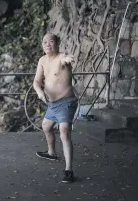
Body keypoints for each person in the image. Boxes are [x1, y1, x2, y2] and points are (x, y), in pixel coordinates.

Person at [33, 32, 78, 183]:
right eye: (45, 42)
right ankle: (51, 152)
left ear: (57, 43)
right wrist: (40, 92)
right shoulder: (42, 60)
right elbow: (36, 82)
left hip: (66, 102)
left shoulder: (61, 57)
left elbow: (66, 59)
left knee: (64, 132)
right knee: (46, 126)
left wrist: (68, 58)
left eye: (51, 42)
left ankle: (69, 170)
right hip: (52, 104)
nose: (48, 44)